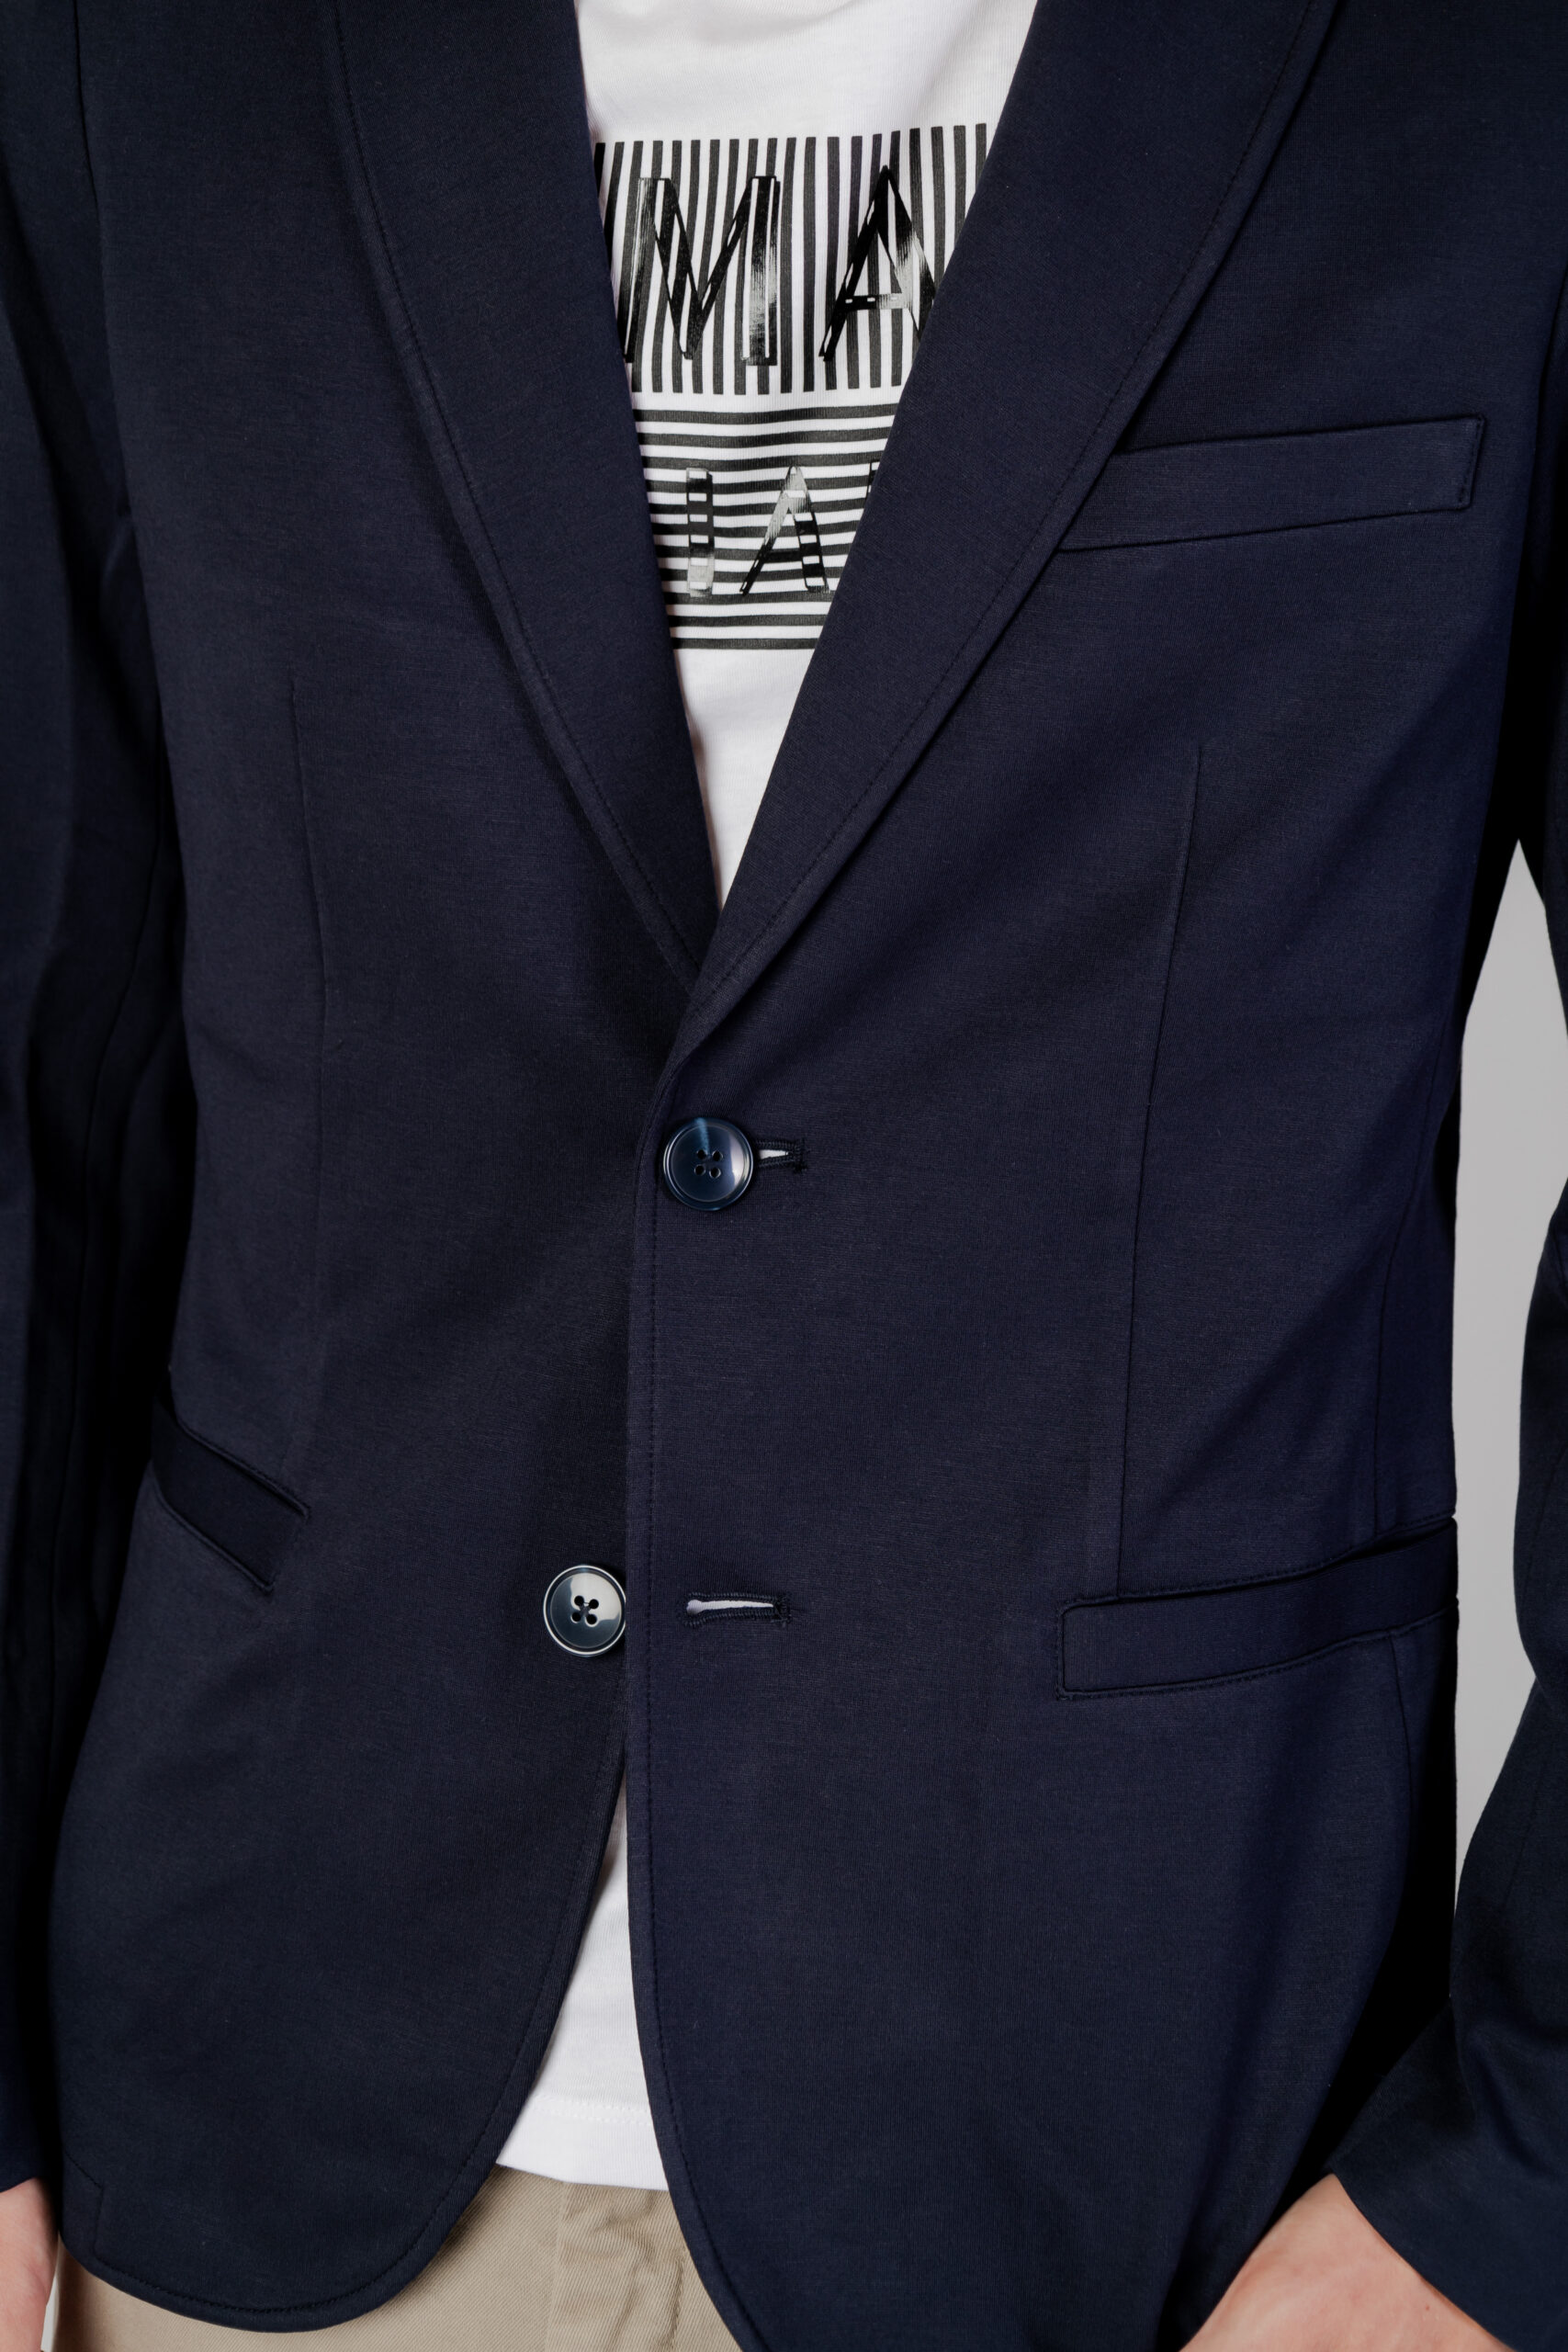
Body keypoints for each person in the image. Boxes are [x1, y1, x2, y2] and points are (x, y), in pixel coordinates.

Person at [2, 0, 1565, 2343]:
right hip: (252, 2101)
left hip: (1148, 2169)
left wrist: (1513, 2184)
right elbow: (39, 1040)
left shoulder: (1481, 74)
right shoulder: (132, 53)